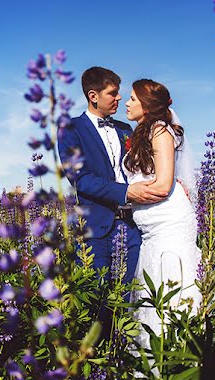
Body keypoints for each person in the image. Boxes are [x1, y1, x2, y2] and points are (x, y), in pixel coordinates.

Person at [57, 67, 167, 289]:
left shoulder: (126, 129)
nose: (119, 98)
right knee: (97, 303)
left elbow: (144, 166)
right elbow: (80, 178)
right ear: (93, 96)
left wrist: (169, 179)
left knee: (128, 298)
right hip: (95, 229)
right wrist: (125, 192)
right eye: (112, 93)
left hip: (132, 225)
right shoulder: (70, 128)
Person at [122, 79, 202, 357]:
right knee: (151, 291)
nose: (127, 102)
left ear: (147, 105)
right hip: (151, 231)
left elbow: (163, 185)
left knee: (174, 289)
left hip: (170, 224)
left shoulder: (160, 130)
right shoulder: (144, 132)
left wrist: (125, 195)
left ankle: (178, 360)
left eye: (132, 98)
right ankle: (153, 366)